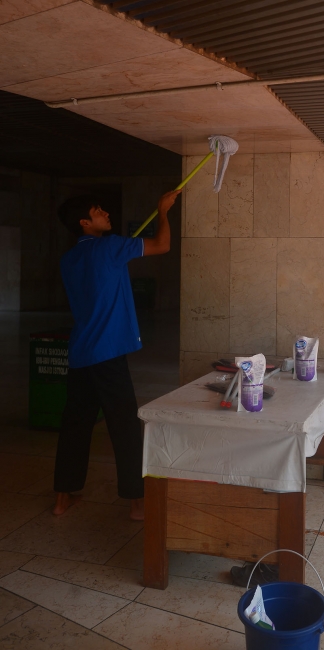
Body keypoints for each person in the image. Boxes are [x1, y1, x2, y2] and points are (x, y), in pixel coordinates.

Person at [53, 189, 181, 520]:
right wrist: (163, 210)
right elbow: (162, 245)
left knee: (75, 425)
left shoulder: (69, 259)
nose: (106, 213)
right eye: (98, 211)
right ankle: (137, 503)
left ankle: (62, 499)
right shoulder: (110, 247)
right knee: (123, 425)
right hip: (108, 352)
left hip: (81, 352)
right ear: (85, 222)